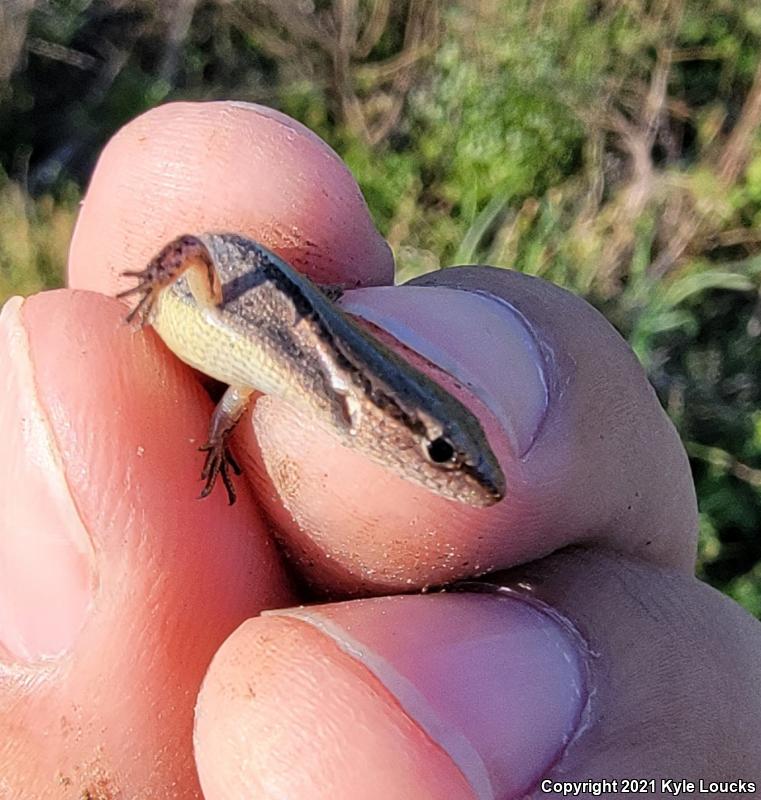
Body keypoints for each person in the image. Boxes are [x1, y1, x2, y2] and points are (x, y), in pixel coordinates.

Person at [1, 101, 759, 799]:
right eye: (439, 452)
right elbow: (211, 261)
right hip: (204, 286)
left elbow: (244, 383)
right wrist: (166, 281)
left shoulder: (316, 392)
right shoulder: (318, 371)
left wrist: (214, 440)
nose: (462, 480)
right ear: (385, 415)